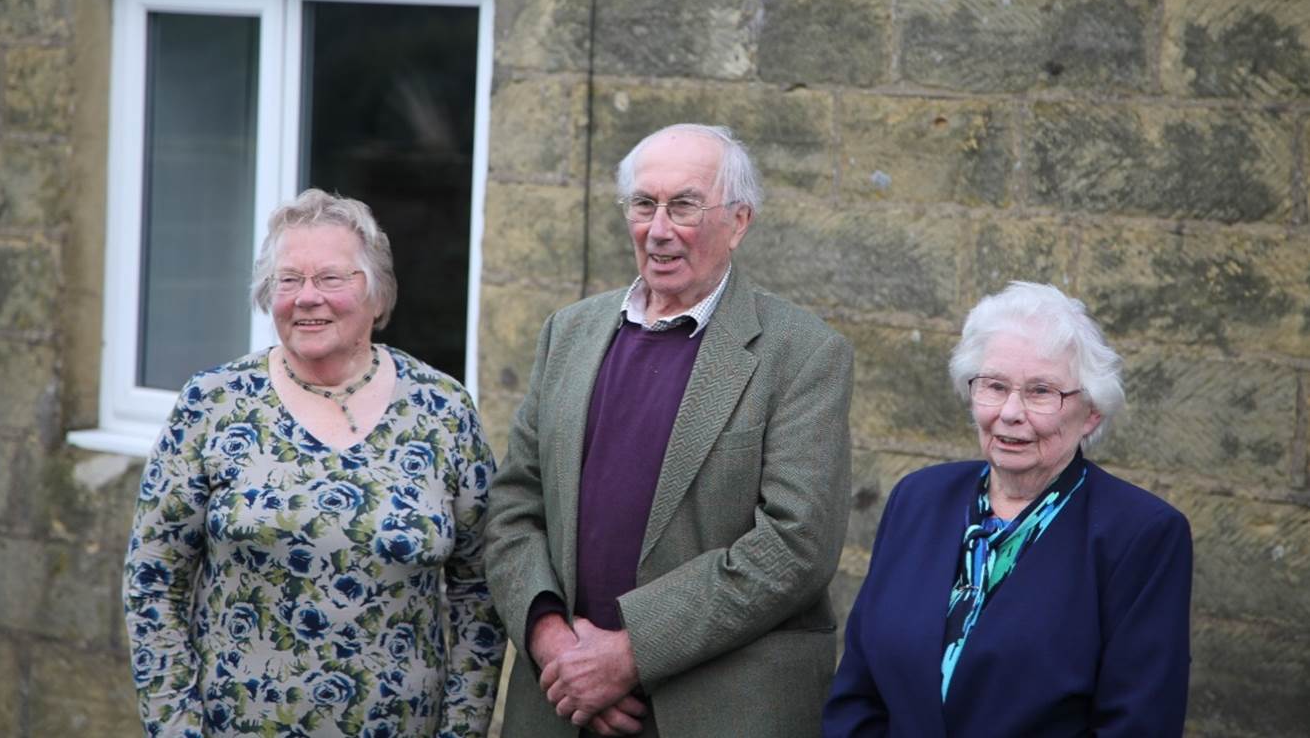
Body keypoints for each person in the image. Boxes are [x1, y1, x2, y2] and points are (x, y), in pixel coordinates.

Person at [484, 123, 854, 738]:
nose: (659, 229)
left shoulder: (803, 352)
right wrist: (554, 643)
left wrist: (627, 655)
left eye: (684, 205)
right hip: (562, 705)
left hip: (722, 710)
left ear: (738, 222)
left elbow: (797, 546)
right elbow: (514, 505)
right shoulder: (568, 333)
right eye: (643, 204)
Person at [123, 188, 504, 738]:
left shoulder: (442, 410)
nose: (307, 298)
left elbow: (480, 592)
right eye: (289, 280)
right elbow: (153, 584)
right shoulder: (213, 403)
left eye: (330, 278)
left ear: (377, 295)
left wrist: (461, 730)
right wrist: (176, 728)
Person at [823, 281, 1192, 737]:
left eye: (1041, 392)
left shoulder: (1142, 535)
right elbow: (858, 693)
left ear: (1091, 412)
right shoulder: (916, 499)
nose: (1011, 412)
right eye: (995, 386)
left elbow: (1139, 723)